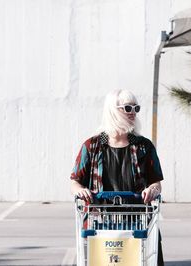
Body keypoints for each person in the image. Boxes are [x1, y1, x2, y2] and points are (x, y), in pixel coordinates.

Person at [70, 89, 164, 265]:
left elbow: (156, 182)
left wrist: (153, 189)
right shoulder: (92, 146)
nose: (133, 113)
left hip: (139, 222)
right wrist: (81, 190)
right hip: (99, 222)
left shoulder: (144, 146)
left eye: (136, 108)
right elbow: (74, 182)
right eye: (128, 108)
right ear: (113, 110)